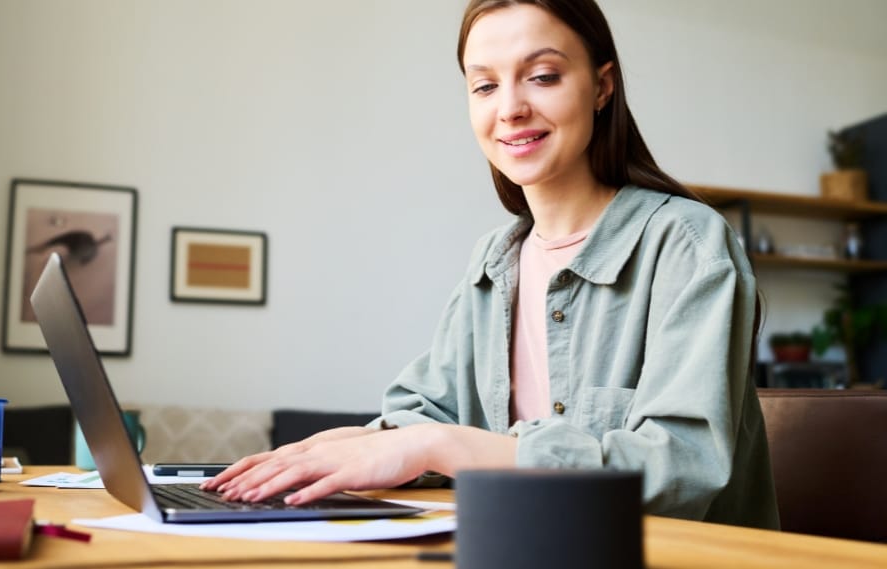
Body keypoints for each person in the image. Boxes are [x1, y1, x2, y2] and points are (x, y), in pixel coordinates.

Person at [204, 0, 779, 529]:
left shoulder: (686, 243)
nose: (510, 109)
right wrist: (347, 446)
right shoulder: (495, 261)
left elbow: (681, 469)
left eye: (543, 76)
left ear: (602, 87)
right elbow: (428, 410)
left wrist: (442, 447)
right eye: (484, 86)